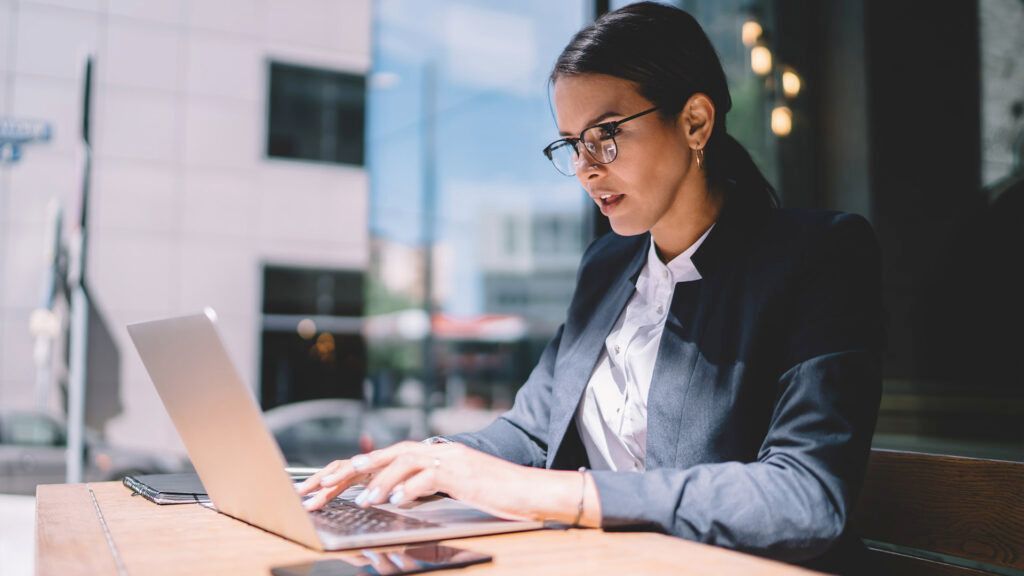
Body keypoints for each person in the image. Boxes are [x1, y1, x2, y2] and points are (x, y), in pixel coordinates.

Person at [298, 3, 884, 574]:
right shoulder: (608, 265)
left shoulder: (819, 255)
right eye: (572, 143)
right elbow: (532, 429)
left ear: (695, 122)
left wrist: (562, 495)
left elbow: (806, 496)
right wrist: (429, 460)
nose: (585, 166)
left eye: (605, 134)